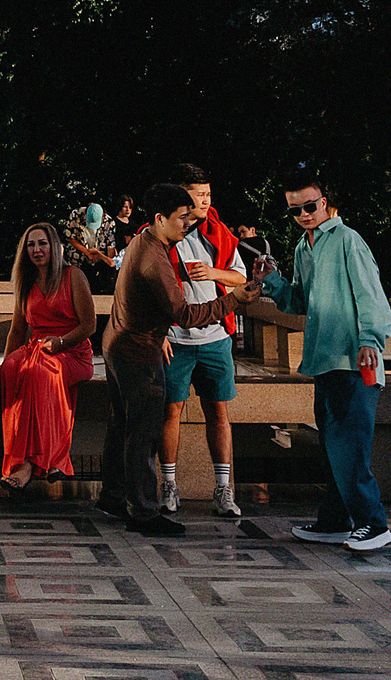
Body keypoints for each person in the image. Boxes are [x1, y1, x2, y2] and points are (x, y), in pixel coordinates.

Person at [260, 175, 391, 553]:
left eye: (310, 206)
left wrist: (370, 340)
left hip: (354, 361)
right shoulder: (304, 247)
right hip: (324, 361)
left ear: (324, 202)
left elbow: (371, 294)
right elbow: (300, 301)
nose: (304, 214)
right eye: (296, 210)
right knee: (335, 448)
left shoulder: (348, 240)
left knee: (350, 447)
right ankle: (336, 521)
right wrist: (272, 281)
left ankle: (373, 524)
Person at [96, 184, 241, 536]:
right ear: (160, 218)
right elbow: (185, 314)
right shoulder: (155, 257)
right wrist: (235, 300)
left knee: (122, 426)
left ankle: (114, 497)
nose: (188, 225)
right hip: (137, 352)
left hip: (118, 345)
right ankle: (143, 513)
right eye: (182, 218)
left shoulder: (142, 241)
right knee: (143, 433)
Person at [163, 166, 246, 518]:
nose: (206, 200)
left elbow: (240, 277)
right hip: (174, 338)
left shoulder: (218, 233)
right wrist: (156, 332)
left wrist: (212, 273)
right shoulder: (160, 230)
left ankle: (224, 488)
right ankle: (168, 485)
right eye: (199, 194)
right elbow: (141, 286)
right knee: (171, 410)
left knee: (218, 410)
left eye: (208, 194)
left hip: (214, 336)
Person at [0, 221, 96, 495]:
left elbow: (89, 325)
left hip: (73, 351)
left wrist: (61, 342)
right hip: (39, 348)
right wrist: (5, 363)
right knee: (11, 370)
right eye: (31, 245)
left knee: (41, 373)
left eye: (42, 243)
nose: (37, 249)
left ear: (54, 246)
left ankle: (34, 462)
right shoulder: (26, 282)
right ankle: (27, 458)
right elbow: (17, 331)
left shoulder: (73, 276)